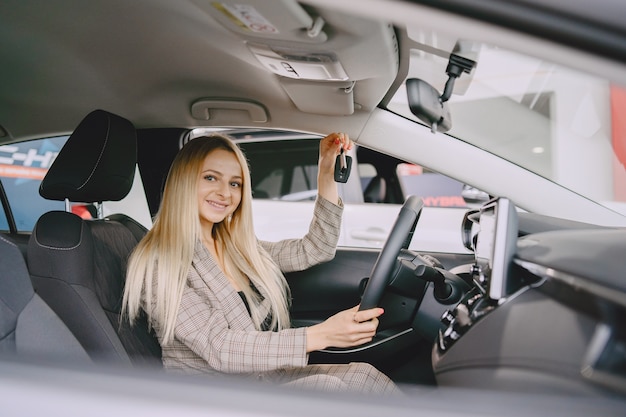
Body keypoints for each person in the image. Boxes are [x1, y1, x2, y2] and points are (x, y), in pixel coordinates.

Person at [122, 132, 399, 395]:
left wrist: (326, 171)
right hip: (215, 397)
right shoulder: (159, 261)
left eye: (235, 183)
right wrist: (321, 334)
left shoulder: (236, 247)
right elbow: (218, 346)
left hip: (260, 378)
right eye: (210, 178)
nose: (225, 193)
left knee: (363, 376)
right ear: (184, 181)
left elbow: (314, 249)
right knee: (327, 391)